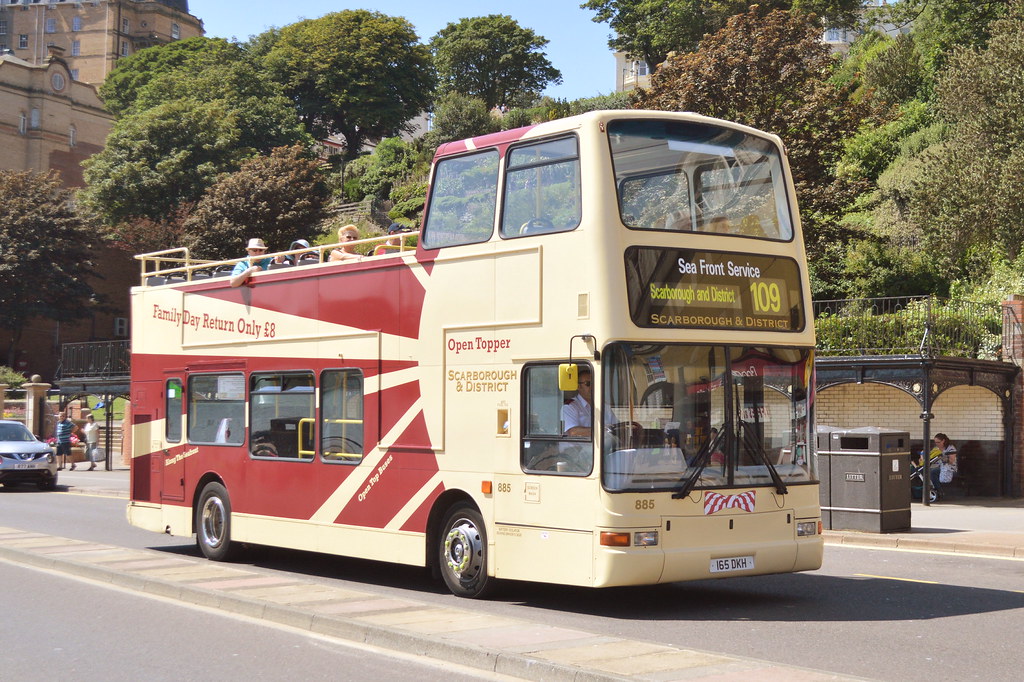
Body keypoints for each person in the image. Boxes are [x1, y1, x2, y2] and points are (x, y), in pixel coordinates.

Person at [562, 366, 595, 437]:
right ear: (578, 386)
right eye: (588, 384)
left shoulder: (604, 406)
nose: (592, 387)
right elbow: (573, 432)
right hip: (574, 448)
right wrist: (604, 430)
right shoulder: (569, 407)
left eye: (594, 383)